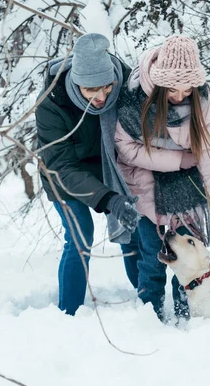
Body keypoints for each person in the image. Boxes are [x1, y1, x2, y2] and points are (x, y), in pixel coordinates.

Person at [114, 34, 210, 320]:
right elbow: (125, 149)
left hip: (187, 191)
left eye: (187, 90)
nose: (180, 96)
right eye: (172, 90)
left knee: (186, 260)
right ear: (158, 84)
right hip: (145, 186)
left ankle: (185, 318)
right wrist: (177, 160)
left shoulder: (201, 100)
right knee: (152, 261)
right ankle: (150, 318)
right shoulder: (134, 99)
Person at [35, 33, 141, 316]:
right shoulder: (52, 102)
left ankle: (146, 301)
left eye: (107, 88)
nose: (102, 97)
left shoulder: (127, 85)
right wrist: (108, 199)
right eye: (91, 91)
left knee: (134, 228)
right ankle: (68, 313)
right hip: (66, 175)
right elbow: (61, 166)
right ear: (76, 83)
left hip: (114, 169)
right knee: (80, 236)